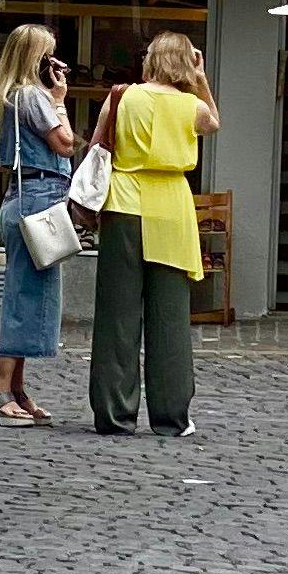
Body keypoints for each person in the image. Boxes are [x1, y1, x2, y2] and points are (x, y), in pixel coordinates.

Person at [89, 32, 216, 441]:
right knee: (170, 318)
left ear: (149, 61)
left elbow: (96, 147)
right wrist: (200, 78)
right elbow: (213, 122)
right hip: (171, 210)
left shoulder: (121, 96)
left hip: (123, 204)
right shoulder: (189, 104)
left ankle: (114, 414)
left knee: (117, 317)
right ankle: (171, 416)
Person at [0, 23, 76, 427]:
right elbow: (66, 143)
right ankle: (2, 390)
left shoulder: (9, 95)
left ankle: (18, 388)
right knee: (23, 295)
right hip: (37, 199)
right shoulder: (32, 97)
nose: (54, 63)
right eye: (48, 55)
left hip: (25, 199)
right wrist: (60, 100)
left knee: (31, 292)